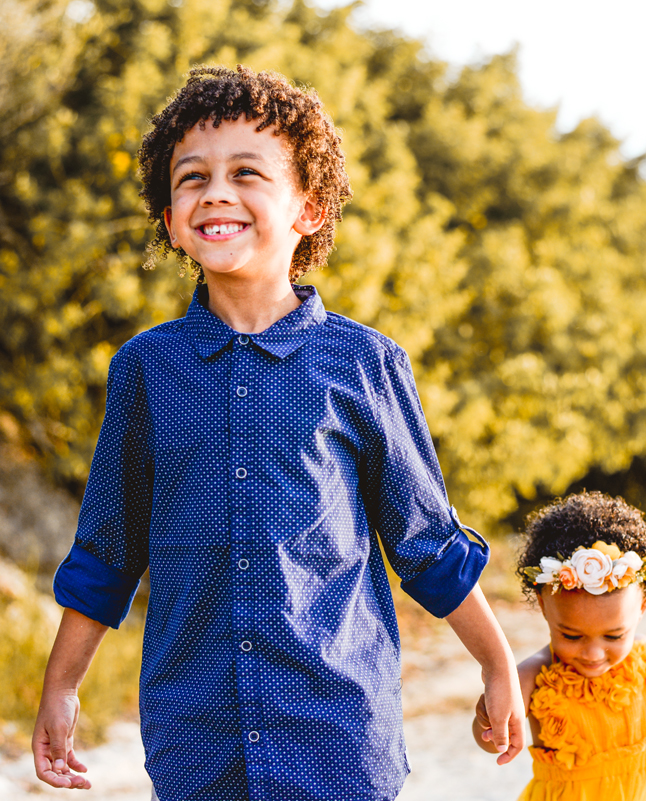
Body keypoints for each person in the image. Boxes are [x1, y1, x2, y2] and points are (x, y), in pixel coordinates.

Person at [31, 65, 525, 801]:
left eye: (247, 173)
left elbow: (426, 541)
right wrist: (61, 686)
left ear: (311, 207)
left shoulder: (365, 363)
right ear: (170, 219)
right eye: (191, 177)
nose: (216, 192)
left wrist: (496, 661)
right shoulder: (145, 370)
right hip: (196, 736)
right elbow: (108, 550)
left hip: (338, 729)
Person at [473, 491, 646, 801]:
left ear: (644, 604)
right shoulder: (530, 677)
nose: (593, 654)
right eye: (572, 636)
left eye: (613, 637)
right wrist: (488, 722)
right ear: (544, 605)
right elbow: (491, 739)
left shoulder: (642, 658)